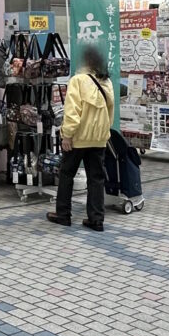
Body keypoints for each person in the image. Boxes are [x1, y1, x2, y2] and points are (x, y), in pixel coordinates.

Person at [47, 45, 114, 231]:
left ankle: (63, 215)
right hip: (99, 139)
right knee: (96, 178)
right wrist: (103, 132)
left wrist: (66, 135)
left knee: (66, 174)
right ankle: (96, 220)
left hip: (79, 138)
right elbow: (110, 111)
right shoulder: (106, 82)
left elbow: (72, 112)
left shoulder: (77, 81)